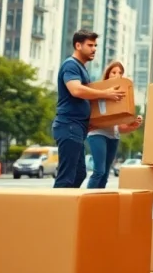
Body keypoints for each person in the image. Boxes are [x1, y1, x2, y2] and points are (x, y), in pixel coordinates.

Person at [53, 29, 125, 188]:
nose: (94, 49)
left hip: (78, 127)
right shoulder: (70, 65)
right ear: (78, 45)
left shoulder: (81, 68)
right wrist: (105, 93)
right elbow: (76, 90)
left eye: (95, 45)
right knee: (67, 176)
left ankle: (69, 209)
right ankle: (57, 211)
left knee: (79, 174)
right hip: (68, 125)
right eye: (90, 45)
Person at [86, 60, 143, 189]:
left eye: (120, 73)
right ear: (107, 74)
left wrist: (132, 124)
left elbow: (119, 126)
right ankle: (87, 200)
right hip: (97, 134)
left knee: (105, 174)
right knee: (99, 171)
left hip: (113, 137)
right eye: (114, 72)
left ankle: (98, 203)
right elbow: (92, 117)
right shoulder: (98, 90)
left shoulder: (121, 96)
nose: (117, 75)